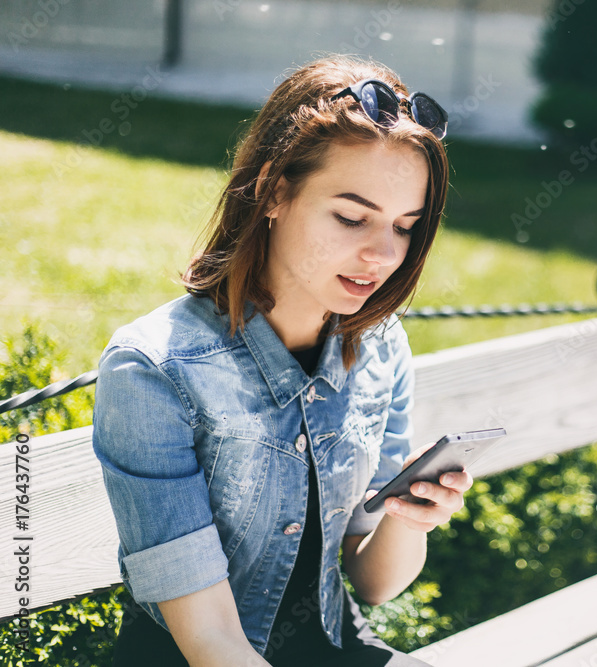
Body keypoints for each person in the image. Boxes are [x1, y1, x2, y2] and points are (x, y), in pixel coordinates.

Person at [92, 54, 463, 666]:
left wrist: (410, 517)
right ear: (272, 191)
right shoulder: (154, 371)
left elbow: (372, 584)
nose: (382, 255)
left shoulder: (382, 345)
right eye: (351, 217)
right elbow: (210, 642)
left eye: (404, 226)